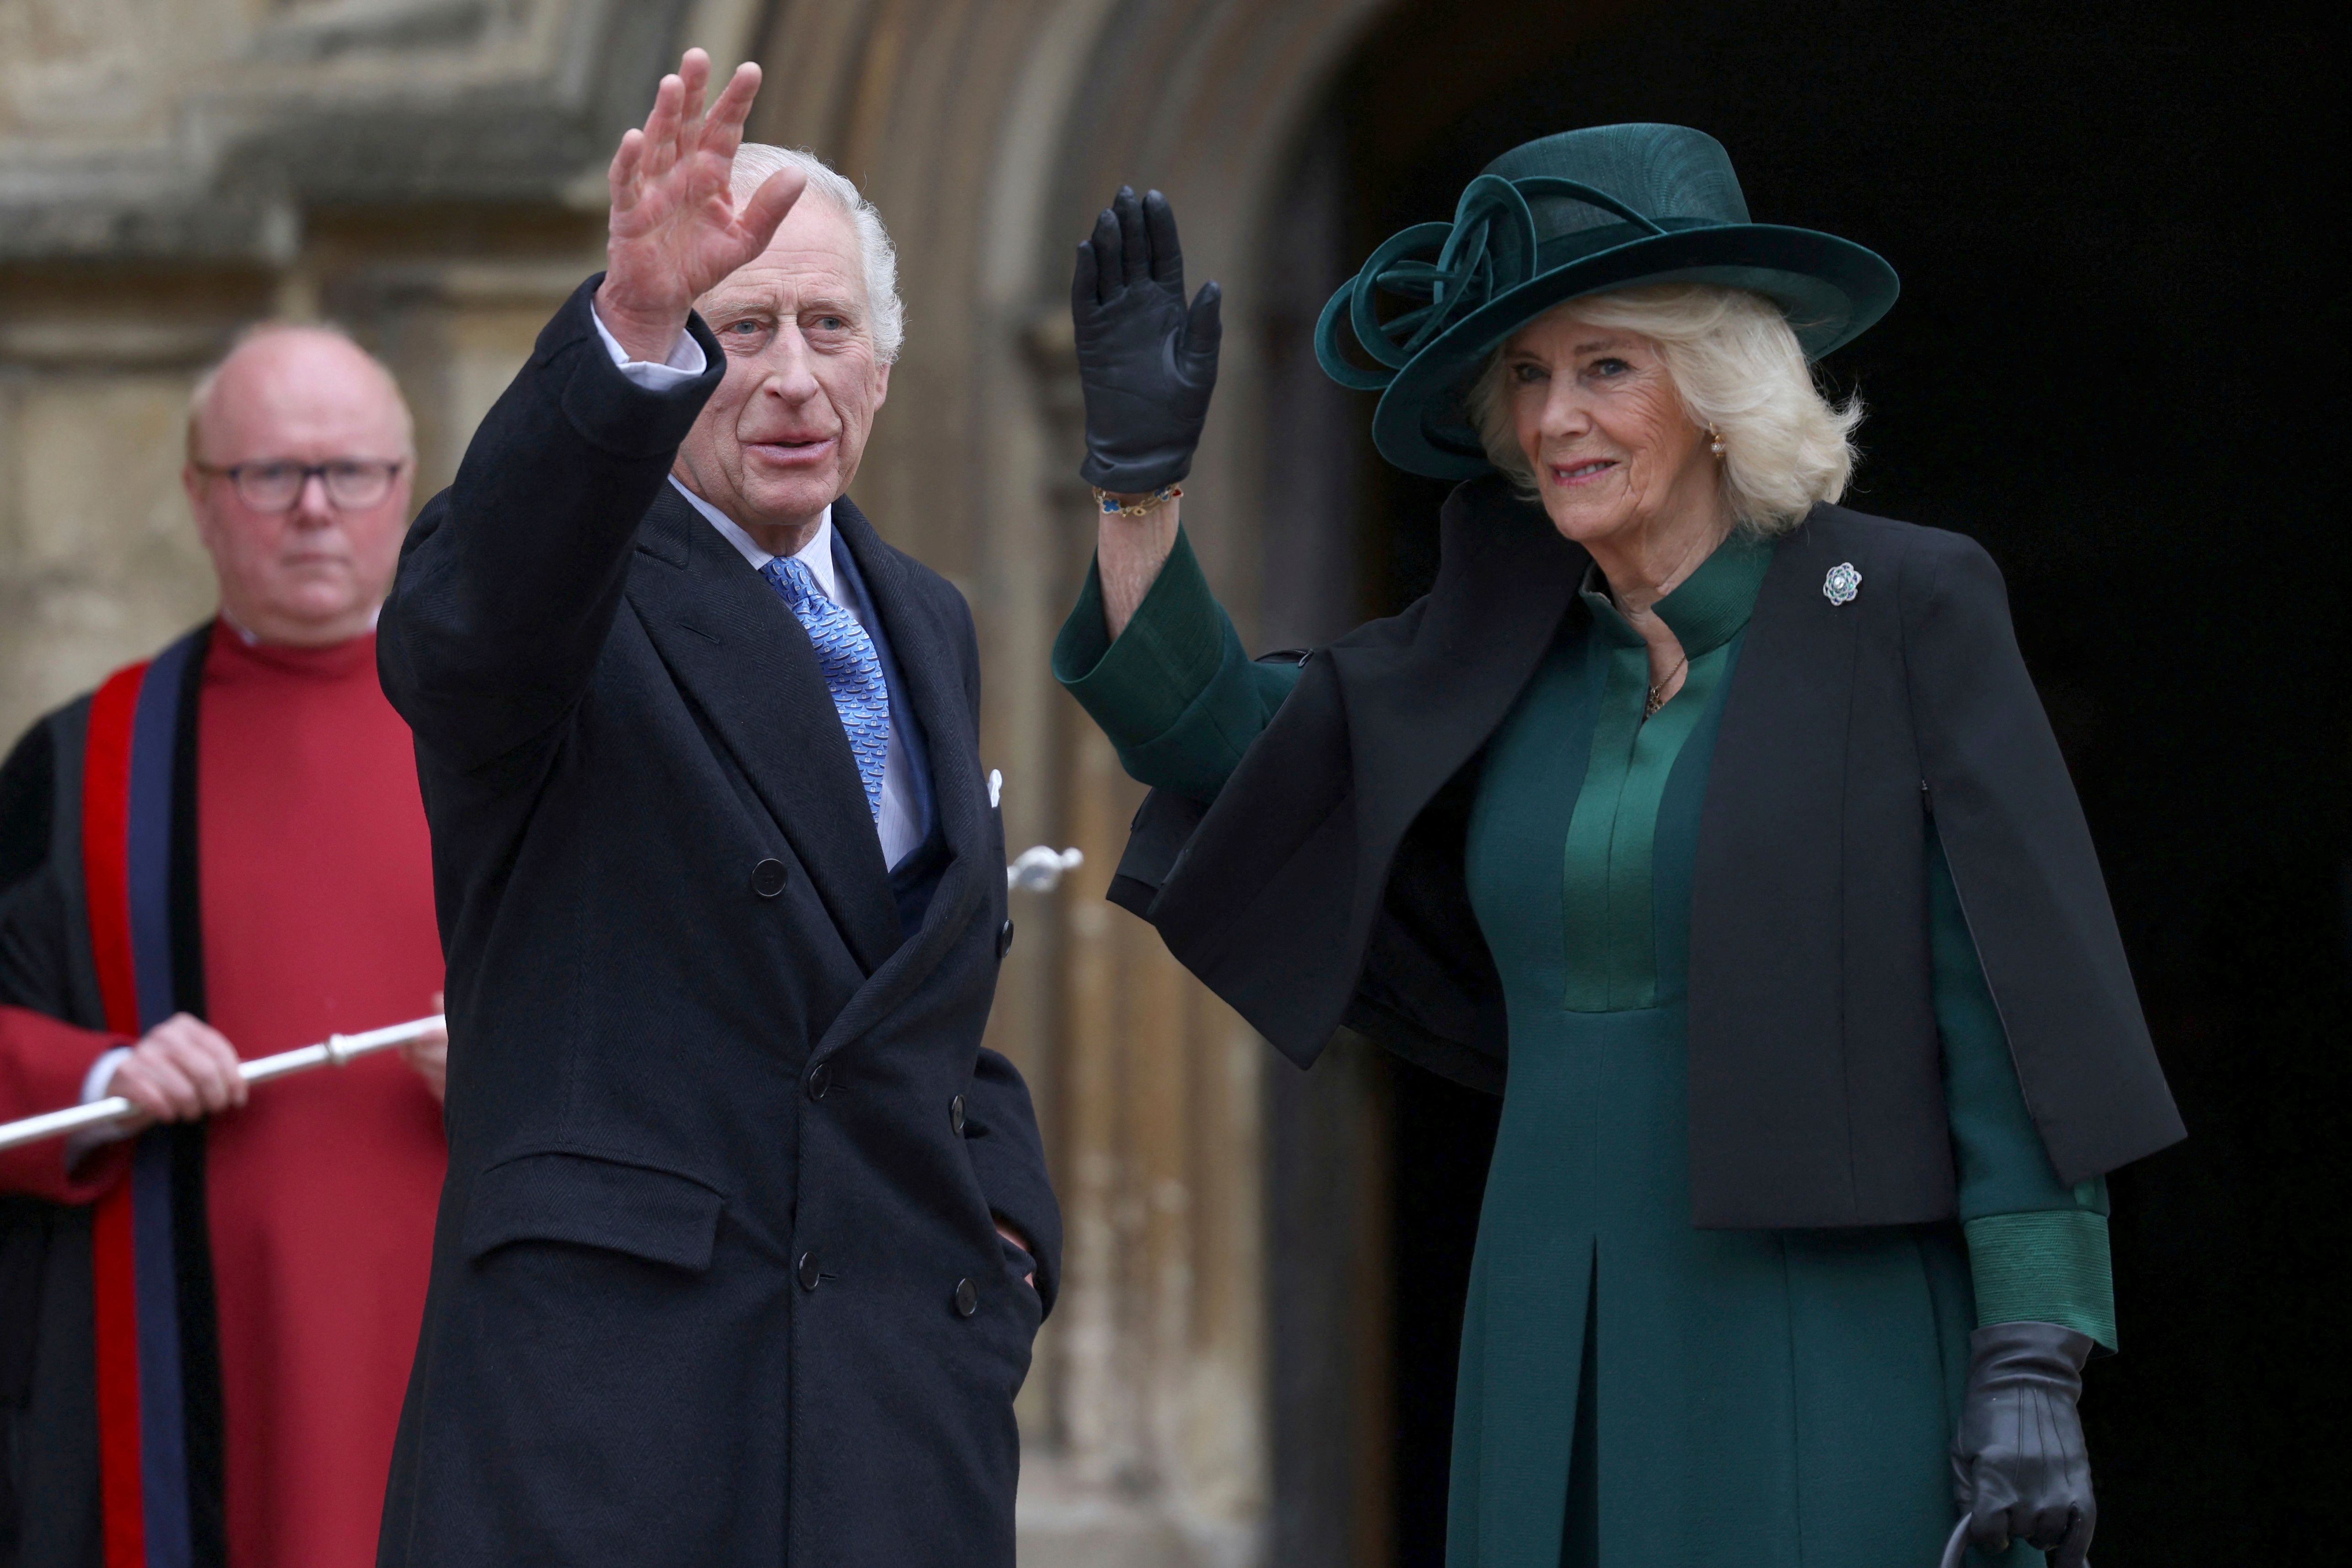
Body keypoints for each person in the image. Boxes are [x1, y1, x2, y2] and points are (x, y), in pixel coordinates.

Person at [1053, 127, 2185, 1567]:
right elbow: (1212, 735)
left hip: (1822, 1327)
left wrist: (2034, 1347)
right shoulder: (1500, 643)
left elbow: (2014, 985)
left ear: (1716, 390)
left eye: (1606, 367)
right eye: (1528, 375)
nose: (1556, 418)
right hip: (1550, 1316)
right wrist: (1138, 485)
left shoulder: (1904, 602)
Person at [372, 52, 1059, 1568]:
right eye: (742, 328)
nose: (794, 376)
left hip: (891, 1416)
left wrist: (1008, 1226)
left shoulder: (925, 617)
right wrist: (628, 324)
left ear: (885, 365)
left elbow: (909, 999)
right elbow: (464, 629)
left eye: (830, 326)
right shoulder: (572, 584)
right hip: (622, 1417)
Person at [0, 324, 449, 1567]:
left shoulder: (526, 746)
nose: (314, 510)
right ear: (200, 496)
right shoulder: (82, 764)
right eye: (270, 474)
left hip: (477, 1342)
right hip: (183, 1374)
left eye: (349, 471)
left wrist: (533, 1067)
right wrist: (100, 1075)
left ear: (406, 486)